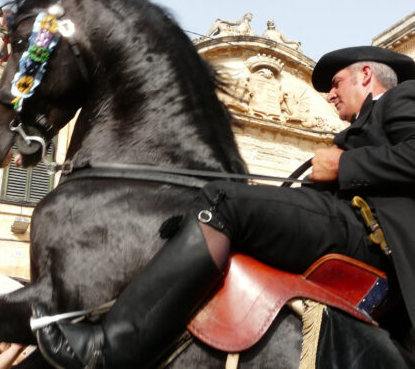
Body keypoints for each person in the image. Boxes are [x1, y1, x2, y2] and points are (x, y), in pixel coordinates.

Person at [31, 46, 415, 368]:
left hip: (369, 235)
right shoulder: (352, 128)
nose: (329, 96)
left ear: (366, 75)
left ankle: (110, 346)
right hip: (344, 226)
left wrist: (343, 165)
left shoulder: (401, 99)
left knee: (225, 201)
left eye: (336, 83)